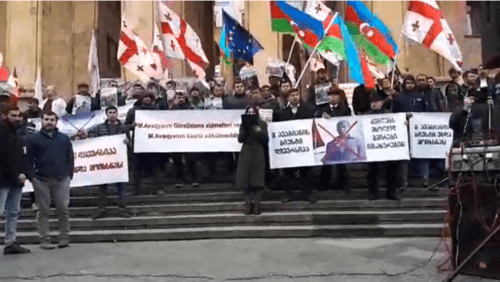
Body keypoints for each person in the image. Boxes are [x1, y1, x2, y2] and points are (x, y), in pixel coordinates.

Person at [25, 111, 74, 250]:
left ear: (56, 122)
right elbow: (28, 159)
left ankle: (64, 236)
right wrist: (31, 176)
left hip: (61, 179)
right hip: (41, 180)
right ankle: (45, 238)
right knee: (42, 210)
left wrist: (69, 173)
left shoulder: (64, 139)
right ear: (41, 121)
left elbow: (70, 157)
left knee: (63, 209)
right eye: (46, 119)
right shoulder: (34, 139)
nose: (49, 122)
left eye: (52, 120)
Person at [88, 106, 132, 220]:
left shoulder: (124, 128)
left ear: (117, 114)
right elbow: (92, 139)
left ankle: (122, 208)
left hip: (119, 160)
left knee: (121, 185)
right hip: (104, 161)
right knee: (102, 186)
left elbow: (130, 143)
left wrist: (127, 142)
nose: (112, 114)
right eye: (110, 112)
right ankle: (101, 209)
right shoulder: (99, 128)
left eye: (114, 112)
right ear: (106, 114)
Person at [0, 105, 31, 254]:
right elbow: (4, 157)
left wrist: (24, 173)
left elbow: (21, 156)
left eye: (19, 115)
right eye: (13, 115)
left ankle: (10, 242)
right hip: (3, 180)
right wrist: (17, 175)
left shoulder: (16, 133)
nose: (18, 118)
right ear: (5, 116)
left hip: (16, 180)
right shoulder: (2, 132)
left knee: (13, 212)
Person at [278, 88, 316, 203]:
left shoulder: (308, 109)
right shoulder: (283, 112)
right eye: (292, 95)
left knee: (306, 171)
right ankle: (289, 194)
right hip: (289, 147)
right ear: (288, 98)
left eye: (296, 94)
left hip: (304, 145)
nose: (295, 97)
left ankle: (307, 194)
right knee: (288, 172)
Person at [315, 88, 353, 192]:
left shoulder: (346, 109)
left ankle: (343, 184)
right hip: (327, 140)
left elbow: (346, 121)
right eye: (331, 95)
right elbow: (315, 120)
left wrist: (331, 117)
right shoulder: (322, 109)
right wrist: (321, 117)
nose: (333, 97)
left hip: (342, 140)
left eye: (335, 95)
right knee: (327, 163)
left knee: (342, 163)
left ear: (339, 98)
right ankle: (324, 184)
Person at [364, 92, 401, 200]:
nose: (374, 104)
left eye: (376, 102)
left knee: (391, 170)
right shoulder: (366, 115)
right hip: (372, 147)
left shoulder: (389, 114)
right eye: (372, 102)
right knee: (372, 171)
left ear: (382, 103)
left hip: (387, 147)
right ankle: (373, 192)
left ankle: (391, 192)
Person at [125, 91, 162, 195]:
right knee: (136, 167)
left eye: (149, 97)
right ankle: (135, 189)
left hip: (152, 142)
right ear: (140, 98)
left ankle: (157, 188)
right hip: (138, 142)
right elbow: (125, 125)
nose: (147, 99)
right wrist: (131, 125)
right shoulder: (133, 111)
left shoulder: (157, 110)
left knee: (154, 166)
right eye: (145, 97)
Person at [236, 105, 268, 215]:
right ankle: (248, 203)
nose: (251, 114)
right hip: (246, 151)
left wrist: (260, 132)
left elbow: (266, 140)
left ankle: (257, 204)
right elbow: (240, 139)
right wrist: (245, 129)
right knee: (245, 178)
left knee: (257, 180)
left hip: (258, 151)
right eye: (248, 112)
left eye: (252, 112)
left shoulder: (262, 124)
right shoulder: (243, 125)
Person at [169, 92, 201, 187]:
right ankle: (179, 179)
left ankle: (194, 178)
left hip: (188, 137)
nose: (181, 99)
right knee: (177, 159)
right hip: (175, 137)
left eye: (182, 97)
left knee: (190, 159)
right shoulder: (170, 110)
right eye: (178, 97)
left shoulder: (190, 109)